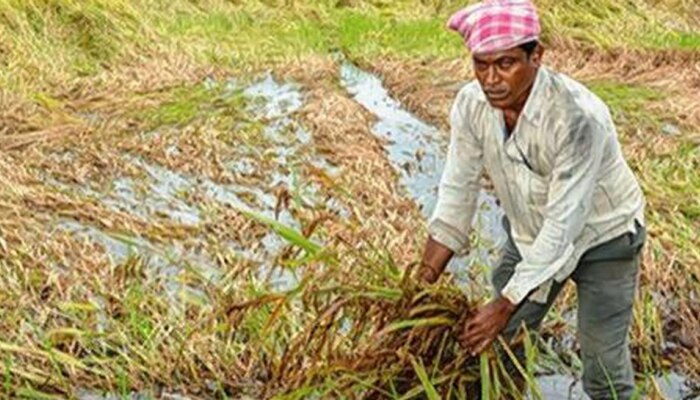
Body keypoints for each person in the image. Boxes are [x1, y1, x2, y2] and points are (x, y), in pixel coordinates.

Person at [416, 0, 646, 398]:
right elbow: (457, 191)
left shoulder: (577, 119)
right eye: (480, 65)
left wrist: (506, 303)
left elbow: (564, 227)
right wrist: (420, 284)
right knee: (502, 345)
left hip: (603, 238)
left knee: (603, 368)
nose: (491, 79)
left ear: (535, 56)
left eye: (505, 64)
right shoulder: (472, 105)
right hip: (530, 233)